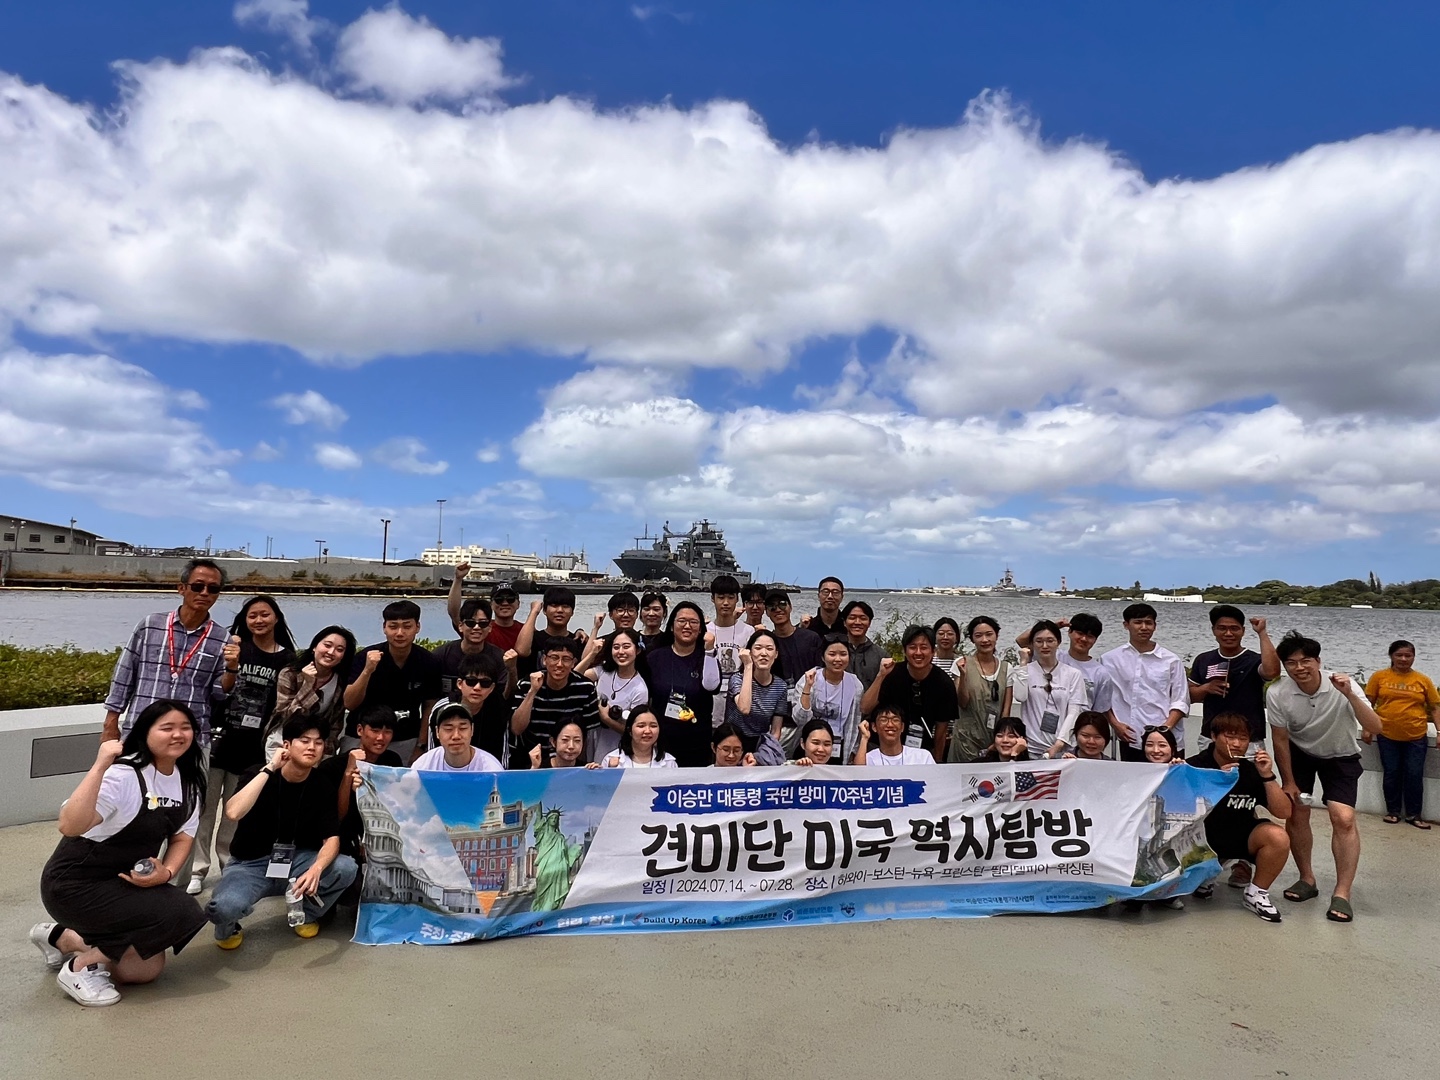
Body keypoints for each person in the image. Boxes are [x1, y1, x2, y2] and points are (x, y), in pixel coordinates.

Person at [34, 701, 208, 1007]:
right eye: (166, 728)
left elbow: (182, 837)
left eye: (185, 727)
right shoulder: (123, 776)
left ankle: (62, 938)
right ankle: (79, 968)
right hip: (74, 885)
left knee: (141, 971)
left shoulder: (188, 782)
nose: (178, 734)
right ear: (145, 732)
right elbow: (70, 826)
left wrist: (166, 872)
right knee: (182, 910)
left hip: (124, 884)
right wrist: (100, 766)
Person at [205, 717, 358, 949]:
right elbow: (233, 812)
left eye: (318, 742)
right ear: (286, 745)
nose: (312, 747)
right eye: (304, 741)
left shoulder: (322, 784)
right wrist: (270, 768)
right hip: (250, 865)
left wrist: (316, 869)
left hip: (297, 861)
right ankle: (228, 927)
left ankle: (304, 913)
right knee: (224, 907)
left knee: (346, 867)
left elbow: (332, 838)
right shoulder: (258, 773)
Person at [1268, 632, 1384, 923]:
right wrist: (1288, 780)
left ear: (1318, 661)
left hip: (1340, 756)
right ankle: (1307, 879)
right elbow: (1280, 739)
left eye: (1306, 660)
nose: (1299, 668)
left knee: (1343, 818)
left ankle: (1342, 893)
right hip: (1301, 755)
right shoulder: (1278, 692)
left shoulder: (1342, 684)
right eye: (1291, 662)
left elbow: (1376, 726)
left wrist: (1350, 695)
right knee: (1297, 812)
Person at [192, 595, 297, 895]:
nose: (259, 620)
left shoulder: (287, 658)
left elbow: (285, 704)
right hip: (219, 739)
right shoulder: (234, 648)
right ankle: (198, 868)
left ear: (276, 618)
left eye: (265, 614)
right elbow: (217, 688)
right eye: (252, 615)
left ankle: (228, 864)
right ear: (245, 620)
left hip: (254, 746)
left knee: (235, 812)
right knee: (204, 809)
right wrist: (231, 662)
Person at [101, 558, 233, 746]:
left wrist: (232, 668)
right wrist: (110, 722)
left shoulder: (222, 638)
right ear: (182, 588)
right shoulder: (150, 625)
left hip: (189, 738)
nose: (205, 593)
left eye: (213, 588)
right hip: (142, 730)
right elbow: (124, 674)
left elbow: (219, 693)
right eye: (197, 586)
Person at [1186, 712, 1292, 922]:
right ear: (1214, 736)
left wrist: (1267, 775)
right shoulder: (1195, 766)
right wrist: (1216, 781)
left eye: (1243, 738)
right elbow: (1176, 810)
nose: (1236, 744)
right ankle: (1205, 872)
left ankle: (1256, 893)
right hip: (1201, 840)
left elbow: (1284, 812)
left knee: (1278, 837)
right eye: (1230, 737)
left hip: (1239, 837)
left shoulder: (1251, 770)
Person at [343, 600, 442, 764]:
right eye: (393, 626)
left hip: (406, 739)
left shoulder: (428, 662)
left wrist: (421, 745)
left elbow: (429, 706)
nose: (400, 633)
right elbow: (349, 703)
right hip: (361, 737)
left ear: (417, 627)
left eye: (407, 626)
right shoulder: (365, 657)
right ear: (384, 628)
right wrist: (367, 670)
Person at [314, 705, 402, 865]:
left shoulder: (393, 761)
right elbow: (337, 817)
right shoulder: (331, 767)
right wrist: (348, 775)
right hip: (342, 838)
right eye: (375, 731)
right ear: (360, 730)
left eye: (387, 732)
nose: (381, 737)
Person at [1366, 639, 1440, 828]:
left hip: (1416, 736)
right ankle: (1393, 812)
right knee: (1392, 773)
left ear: (1414, 657)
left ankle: (1414, 815)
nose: (1404, 659)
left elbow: (1435, 707)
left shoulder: (1422, 680)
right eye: (1399, 655)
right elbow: (1368, 703)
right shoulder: (1379, 677)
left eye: (1408, 655)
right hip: (1386, 734)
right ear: (1391, 656)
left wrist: (1439, 731)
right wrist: (1367, 727)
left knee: (1414, 774)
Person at [1101, 603, 1189, 762]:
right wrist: (1115, 725)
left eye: (1148, 623)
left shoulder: (1171, 660)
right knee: (1133, 778)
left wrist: (1163, 730)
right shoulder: (1110, 659)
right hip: (1129, 737)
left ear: (1155, 626)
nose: (1144, 627)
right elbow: (1103, 698)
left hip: (1166, 740)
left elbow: (1181, 700)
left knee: (1171, 778)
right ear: (1126, 625)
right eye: (1138, 622)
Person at [1189, 606, 1281, 756]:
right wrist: (1206, 688)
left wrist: (1262, 633)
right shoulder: (1203, 659)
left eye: (1234, 628)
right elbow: (1190, 696)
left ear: (1243, 631)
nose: (1228, 633)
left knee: (1250, 772)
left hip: (1248, 740)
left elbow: (1272, 672)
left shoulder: (1254, 660)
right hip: (1211, 738)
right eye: (1222, 628)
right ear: (1213, 630)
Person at [860, 625, 957, 761]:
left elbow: (941, 731)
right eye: (912, 647)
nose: (918, 652)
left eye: (924, 647)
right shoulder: (891, 674)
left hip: (921, 751)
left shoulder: (943, 683)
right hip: (882, 747)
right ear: (904, 651)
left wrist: (937, 763)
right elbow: (865, 708)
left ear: (933, 651)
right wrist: (881, 676)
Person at [644, 602, 721, 768]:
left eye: (693, 622)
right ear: (672, 626)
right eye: (682, 621)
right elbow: (645, 698)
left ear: (700, 629)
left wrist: (709, 651)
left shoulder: (707, 657)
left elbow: (712, 687)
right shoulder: (655, 658)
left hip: (697, 741)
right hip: (661, 740)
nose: (687, 626)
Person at [510, 638, 601, 769]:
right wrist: (533, 691)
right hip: (530, 758)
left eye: (566, 659)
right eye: (554, 657)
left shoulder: (585, 688)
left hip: (569, 761)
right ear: (544, 660)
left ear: (573, 663)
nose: (559, 664)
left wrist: (578, 767)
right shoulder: (527, 684)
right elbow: (516, 729)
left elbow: (587, 734)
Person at [270, 625, 357, 755]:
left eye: (339, 649)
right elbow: (286, 716)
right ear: (314, 647)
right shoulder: (290, 674)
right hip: (283, 740)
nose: (331, 652)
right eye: (327, 645)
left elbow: (335, 726)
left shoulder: (341, 682)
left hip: (318, 746)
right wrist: (308, 686)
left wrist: (325, 749)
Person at [1012, 620, 1089, 759]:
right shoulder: (1025, 671)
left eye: (1050, 641)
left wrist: (1059, 744)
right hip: (1031, 748)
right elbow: (1020, 696)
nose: (1044, 646)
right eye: (1039, 641)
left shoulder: (1073, 674)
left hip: (1063, 749)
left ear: (1058, 642)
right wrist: (1023, 663)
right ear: (1032, 644)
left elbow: (1074, 712)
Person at [428, 648, 512, 766]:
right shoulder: (441, 708)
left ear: (492, 688)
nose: (477, 687)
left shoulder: (499, 708)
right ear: (459, 683)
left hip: (488, 770)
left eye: (485, 683)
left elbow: (503, 753)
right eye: (471, 681)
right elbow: (433, 753)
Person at [950, 616, 1013, 763]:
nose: (984, 640)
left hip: (994, 742)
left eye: (989, 634)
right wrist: (964, 675)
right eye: (978, 636)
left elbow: (1006, 712)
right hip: (965, 741)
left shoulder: (1006, 668)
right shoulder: (961, 664)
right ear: (972, 639)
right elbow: (962, 703)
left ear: (997, 635)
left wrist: (999, 741)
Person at [582, 628, 648, 765]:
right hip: (592, 740)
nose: (621, 652)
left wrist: (606, 719)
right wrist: (593, 653)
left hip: (617, 750)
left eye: (626, 647)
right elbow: (575, 676)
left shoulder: (640, 689)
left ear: (637, 650)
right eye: (616, 647)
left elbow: (635, 730)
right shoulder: (603, 671)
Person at [792, 637, 863, 765]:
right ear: (823, 657)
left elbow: (854, 722)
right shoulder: (810, 678)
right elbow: (800, 719)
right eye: (832, 654)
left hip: (838, 747)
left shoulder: (855, 684)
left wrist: (853, 750)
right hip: (810, 747)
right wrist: (808, 687)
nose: (838, 659)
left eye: (843, 654)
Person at [726, 630, 792, 752]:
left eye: (769, 649)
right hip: (732, 742)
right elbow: (744, 708)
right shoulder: (737, 679)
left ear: (776, 654)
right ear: (750, 652)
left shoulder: (781, 686)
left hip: (761, 745)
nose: (764, 653)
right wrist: (748, 665)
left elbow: (776, 730)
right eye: (758, 648)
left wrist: (766, 752)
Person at [432, 595, 508, 699]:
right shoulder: (440, 655)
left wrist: (512, 670)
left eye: (483, 624)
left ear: (490, 627)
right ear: (460, 626)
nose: (476, 627)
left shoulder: (499, 657)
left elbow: (505, 696)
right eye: (470, 623)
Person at [514, 587, 586, 683]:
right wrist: (534, 612)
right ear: (544, 610)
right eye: (554, 605)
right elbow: (521, 651)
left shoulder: (578, 640)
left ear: (572, 611)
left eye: (565, 606)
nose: (560, 610)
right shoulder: (533, 639)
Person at [414, 704, 504, 772]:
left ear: (472, 730)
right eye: (448, 729)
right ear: (437, 732)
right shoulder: (423, 766)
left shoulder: (492, 770)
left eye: (463, 728)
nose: (456, 736)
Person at [708, 575, 748, 723]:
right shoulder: (705, 632)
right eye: (721, 597)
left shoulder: (748, 632)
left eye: (731, 598)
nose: (726, 603)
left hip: (738, 702)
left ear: (737, 599)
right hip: (711, 703)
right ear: (712, 599)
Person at [765, 589, 824, 681]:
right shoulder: (768, 643)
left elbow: (821, 671)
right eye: (772, 606)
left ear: (790, 607)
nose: (778, 609)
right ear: (767, 612)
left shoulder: (811, 638)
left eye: (782, 604)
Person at [591, 709, 678, 769]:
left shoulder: (669, 762)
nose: (647, 731)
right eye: (641, 726)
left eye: (653, 726)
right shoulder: (611, 759)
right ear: (630, 730)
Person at [853, 706, 936, 766]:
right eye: (884, 720)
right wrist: (864, 738)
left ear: (902, 727)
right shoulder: (867, 758)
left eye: (895, 720)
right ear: (874, 727)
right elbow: (858, 776)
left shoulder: (922, 757)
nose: (890, 724)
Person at [840, 600, 883, 689]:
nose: (857, 622)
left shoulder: (880, 655)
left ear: (869, 623)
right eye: (852, 618)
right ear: (844, 622)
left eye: (863, 618)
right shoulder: (835, 653)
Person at [487, 584, 523, 654]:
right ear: (491, 604)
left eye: (510, 599)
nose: (505, 603)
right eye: (499, 599)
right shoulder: (483, 629)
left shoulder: (526, 631)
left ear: (518, 604)